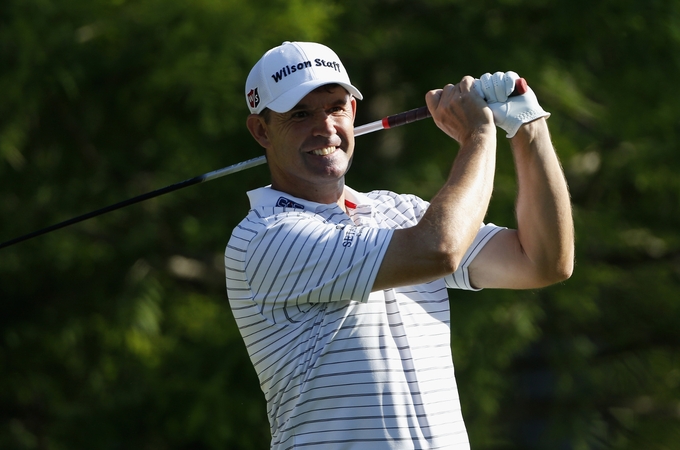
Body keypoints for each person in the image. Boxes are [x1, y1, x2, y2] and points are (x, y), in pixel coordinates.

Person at [224, 41, 574, 450]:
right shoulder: (265, 237)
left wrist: (529, 128)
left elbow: (542, 262)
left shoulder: (400, 212)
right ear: (261, 130)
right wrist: (478, 134)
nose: (325, 128)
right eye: (300, 114)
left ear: (353, 113)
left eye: (336, 107)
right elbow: (441, 248)